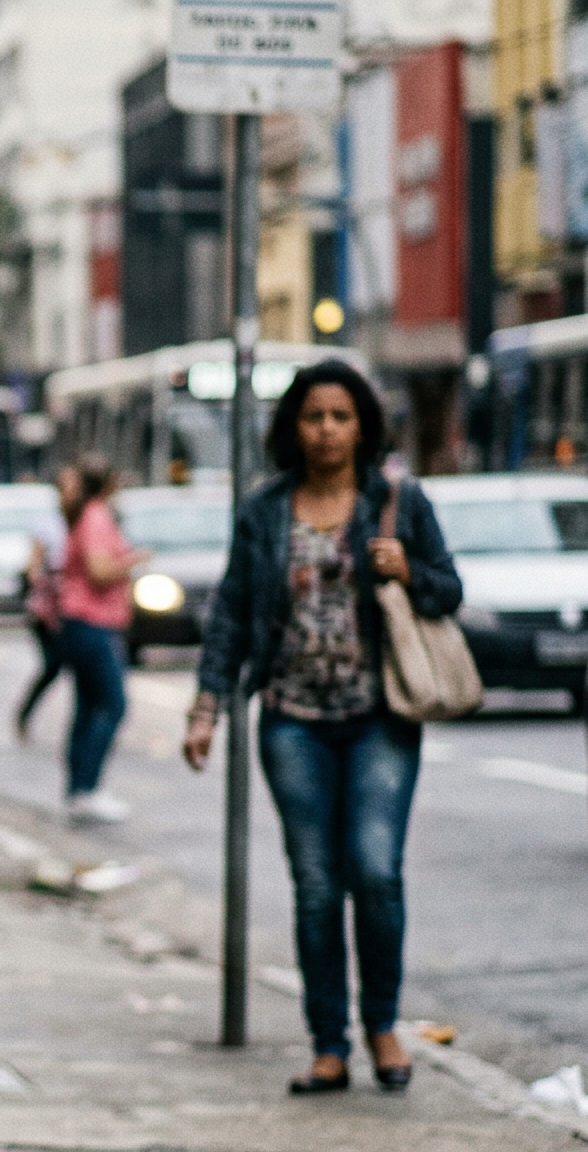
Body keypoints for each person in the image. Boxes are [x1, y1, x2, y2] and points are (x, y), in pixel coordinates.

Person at [185, 360, 460, 1095]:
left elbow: (450, 590)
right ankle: (329, 1044)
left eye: (341, 416)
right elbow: (233, 614)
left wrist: (409, 571)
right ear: (294, 427)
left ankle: (382, 1026)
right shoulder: (267, 510)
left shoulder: (398, 501)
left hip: (381, 718)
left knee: (374, 872)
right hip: (292, 721)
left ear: (363, 425)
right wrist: (208, 706)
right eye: (314, 417)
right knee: (315, 886)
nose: (328, 430)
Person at [53, 455, 144, 824]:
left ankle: (79, 788)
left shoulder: (86, 514)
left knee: (88, 706)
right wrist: (132, 561)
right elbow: (98, 570)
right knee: (112, 704)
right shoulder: (95, 516)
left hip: (82, 622)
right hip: (92, 622)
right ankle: (86, 788)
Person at [15, 474, 70, 742]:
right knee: (52, 666)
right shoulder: (47, 524)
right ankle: (24, 715)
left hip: (74, 609)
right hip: (48, 610)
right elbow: (33, 566)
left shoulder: (85, 521)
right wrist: (47, 577)